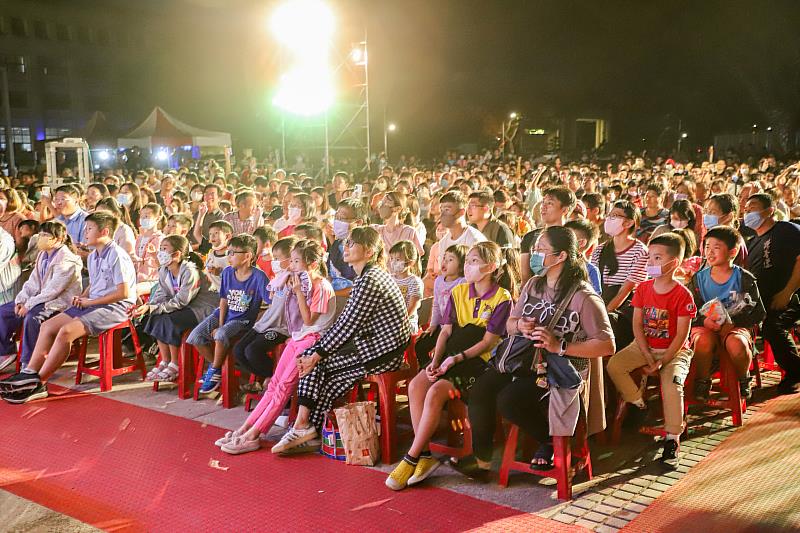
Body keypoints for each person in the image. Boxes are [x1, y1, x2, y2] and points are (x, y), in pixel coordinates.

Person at [457, 226, 614, 479]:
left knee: (509, 399)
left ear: (561, 256)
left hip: (559, 369)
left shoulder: (583, 297)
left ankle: (549, 440)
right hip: (525, 360)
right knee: (481, 389)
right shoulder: (533, 285)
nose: (535, 255)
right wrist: (520, 325)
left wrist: (560, 346)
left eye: (541, 250)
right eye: (535, 250)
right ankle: (481, 460)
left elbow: (607, 345)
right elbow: (510, 324)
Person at [385, 241, 516, 490]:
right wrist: (435, 362)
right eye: (468, 261)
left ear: (492, 266)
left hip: (478, 363)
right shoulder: (458, 293)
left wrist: (455, 359)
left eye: (475, 261)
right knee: (416, 386)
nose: (468, 266)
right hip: (450, 355)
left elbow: (488, 342)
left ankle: (411, 457)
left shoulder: (502, 298)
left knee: (435, 392)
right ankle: (424, 456)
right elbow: (445, 332)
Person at [271, 226, 410, 454]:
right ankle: (311, 429)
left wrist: (318, 353)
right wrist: (318, 352)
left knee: (314, 360)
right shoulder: (365, 276)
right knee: (320, 369)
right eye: (346, 243)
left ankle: (303, 425)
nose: (346, 248)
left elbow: (348, 325)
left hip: (382, 352)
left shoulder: (371, 279)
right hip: (369, 346)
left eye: (352, 244)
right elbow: (346, 323)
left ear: (369, 251)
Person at [0, 212, 137, 403]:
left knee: (65, 332)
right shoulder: (93, 255)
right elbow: (96, 283)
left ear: (105, 231)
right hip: (92, 302)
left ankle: (39, 383)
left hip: (115, 307)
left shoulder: (117, 255)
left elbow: (123, 293)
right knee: (48, 326)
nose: (84, 232)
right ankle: (29, 372)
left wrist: (90, 302)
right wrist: (84, 297)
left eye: (89, 229)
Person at [215, 239, 336, 455]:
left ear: (313, 264)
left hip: (313, 340)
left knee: (282, 388)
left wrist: (298, 292)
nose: (291, 266)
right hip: (299, 338)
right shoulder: (301, 282)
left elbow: (308, 320)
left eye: (297, 262)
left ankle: (254, 435)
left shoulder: (323, 287)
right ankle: (245, 428)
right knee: (273, 387)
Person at [606, 233, 696, 462]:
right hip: (643, 346)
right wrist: (646, 355)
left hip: (674, 352)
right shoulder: (644, 289)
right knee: (615, 365)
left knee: (673, 384)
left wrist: (662, 360)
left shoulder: (683, 295)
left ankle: (672, 438)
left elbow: (681, 335)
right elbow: (637, 323)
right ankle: (638, 403)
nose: (650, 263)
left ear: (673, 263)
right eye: (649, 258)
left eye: (657, 258)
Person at [687, 226, 765, 401]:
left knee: (737, 344)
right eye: (707, 247)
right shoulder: (698, 279)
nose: (710, 252)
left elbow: (758, 313)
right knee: (702, 341)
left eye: (716, 247)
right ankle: (703, 380)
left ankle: (743, 379)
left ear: (733, 251)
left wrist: (733, 324)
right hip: (705, 326)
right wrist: (704, 321)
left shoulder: (744, 278)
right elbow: (689, 310)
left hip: (735, 326)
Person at [187, 234, 271, 394]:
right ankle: (217, 370)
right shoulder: (227, 273)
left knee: (220, 335)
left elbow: (271, 303)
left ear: (247, 256)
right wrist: (220, 323)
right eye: (228, 252)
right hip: (223, 315)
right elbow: (224, 300)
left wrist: (260, 322)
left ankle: (215, 369)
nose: (229, 257)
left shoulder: (259, 277)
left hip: (243, 320)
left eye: (233, 253)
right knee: (195, 337)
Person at [131, 235, 217, 382]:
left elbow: (182, 301)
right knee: (155, 317)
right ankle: (165, 361)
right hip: (186, 308)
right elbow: (161, 293)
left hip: (202, 309)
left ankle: (175, 363)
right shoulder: (165, 270)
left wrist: (154, 307)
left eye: (164, 249)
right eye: (161, 249)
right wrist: (149, 306)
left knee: (171, 320)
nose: (160, 253)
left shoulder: (190, 271)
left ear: (177, 254)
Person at [0, 221, 82, 372]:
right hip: (39, 299)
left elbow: (53, 291)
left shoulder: (67, 260)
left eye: (46, 235)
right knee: (3, 312)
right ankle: (5, 351)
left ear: (58, 239)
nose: (41, 238)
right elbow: (33, 282)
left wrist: (28, 305)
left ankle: (29, 362)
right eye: (41, 234)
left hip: (59, 302)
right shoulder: (43, 255)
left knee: (32, 318)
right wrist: (21, 300)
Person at [744, 193, 800, 394]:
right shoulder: (752, 242)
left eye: (753, 207)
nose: (748, 212)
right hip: (763, 300)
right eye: (746, 209)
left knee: (773, 326)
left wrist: (787, 291)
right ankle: (743, 377)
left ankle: (795, 372)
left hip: (792, 294)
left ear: (769, 211)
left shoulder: (786, 229)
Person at [233, 236, 297, 378]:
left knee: (252, 351)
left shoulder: (296, 281)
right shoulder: (278, 279)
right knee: (238, 350)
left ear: (290, 259)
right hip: (265, 324)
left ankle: (276, 381)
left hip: (282, 328)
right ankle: (269, 378)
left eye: (277, 258)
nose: (274, 261)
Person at [591, 200, 649, 350]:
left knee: (607, 324)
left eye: (615, 216)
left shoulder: (640, 251)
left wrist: (604, 313)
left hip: (624, 307)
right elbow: (593, 284)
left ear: (629, 223)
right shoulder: (600, 250)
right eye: (610, 215)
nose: (610, 219)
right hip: (601, 300)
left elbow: (626, 289)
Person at [415, 244, 467, 368]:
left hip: (455, 327)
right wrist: (433, 324)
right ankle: (425, 369)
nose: (445, 262)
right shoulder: (439, 280)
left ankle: (438, 368)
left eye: (450, 260)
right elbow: (437, 305)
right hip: (441, 325)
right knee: (421, 344)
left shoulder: (462, 282)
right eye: (444, 258)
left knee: (446, 350)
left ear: (461, 265)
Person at [425, 191, 487, 294]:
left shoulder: (475, 240)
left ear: (461, 212)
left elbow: (480, 275)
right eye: (442, 210)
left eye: (447, 209)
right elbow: (443, 272)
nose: (443, 214)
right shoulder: (443, 242)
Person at [520, 186, 577, 284]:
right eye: (543, 202)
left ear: (564, 210)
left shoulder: (572, 238)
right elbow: (525, 278)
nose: (543, 207)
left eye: (550, 203)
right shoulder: (530, 237)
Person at [328, 198, 366, 289]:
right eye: (336, 217)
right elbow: (329, 274)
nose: (337, 222)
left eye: (342, 219)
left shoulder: (362, 249)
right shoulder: (337, 244)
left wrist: (332, 295)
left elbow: (358, 287)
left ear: (358, 222)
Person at [388, 240, 424, 334]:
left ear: (410, 262)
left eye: (398, 259)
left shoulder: (414, 282)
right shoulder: (389, 278)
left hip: (407, 322)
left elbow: (413, 306)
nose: (393, 262)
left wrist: (399, 322)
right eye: (391, 258)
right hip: (389, 320)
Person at [374, 191, 424, 256]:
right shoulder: (377, 230)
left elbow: (418, 254)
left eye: (385, 203)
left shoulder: (409, 232)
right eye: (381, 203)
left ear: (398, 209)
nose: (381, 206)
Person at [132, 202, 164, 295]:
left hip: (152, 279)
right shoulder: (139, 238)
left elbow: (161, 263)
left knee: (134, 290)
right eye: (141, 216)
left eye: (146, 216)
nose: (143, 219)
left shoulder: (161, 239)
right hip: (136, 277)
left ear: (157, 218)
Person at [565, 219, 602, 294]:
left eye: (568, 237)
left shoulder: (591, 270)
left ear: (581, 243)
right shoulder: (556, 263)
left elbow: (594, 299)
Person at [192, 184, 225, 253]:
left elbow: (215, 242)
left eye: (212, 194)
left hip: (207, 251)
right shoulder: (198, 213)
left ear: (219, 198)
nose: (209, 197)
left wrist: (195, 246)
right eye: (206, 194)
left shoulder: (221, 217)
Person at [205, 220, 234, 292]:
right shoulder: (211, 253)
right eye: (210, 234)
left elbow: (237, 277)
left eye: (216, 233)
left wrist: (220, 273)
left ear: (227, 236)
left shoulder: (232, 255)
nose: (212, 236)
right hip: (213, 292)